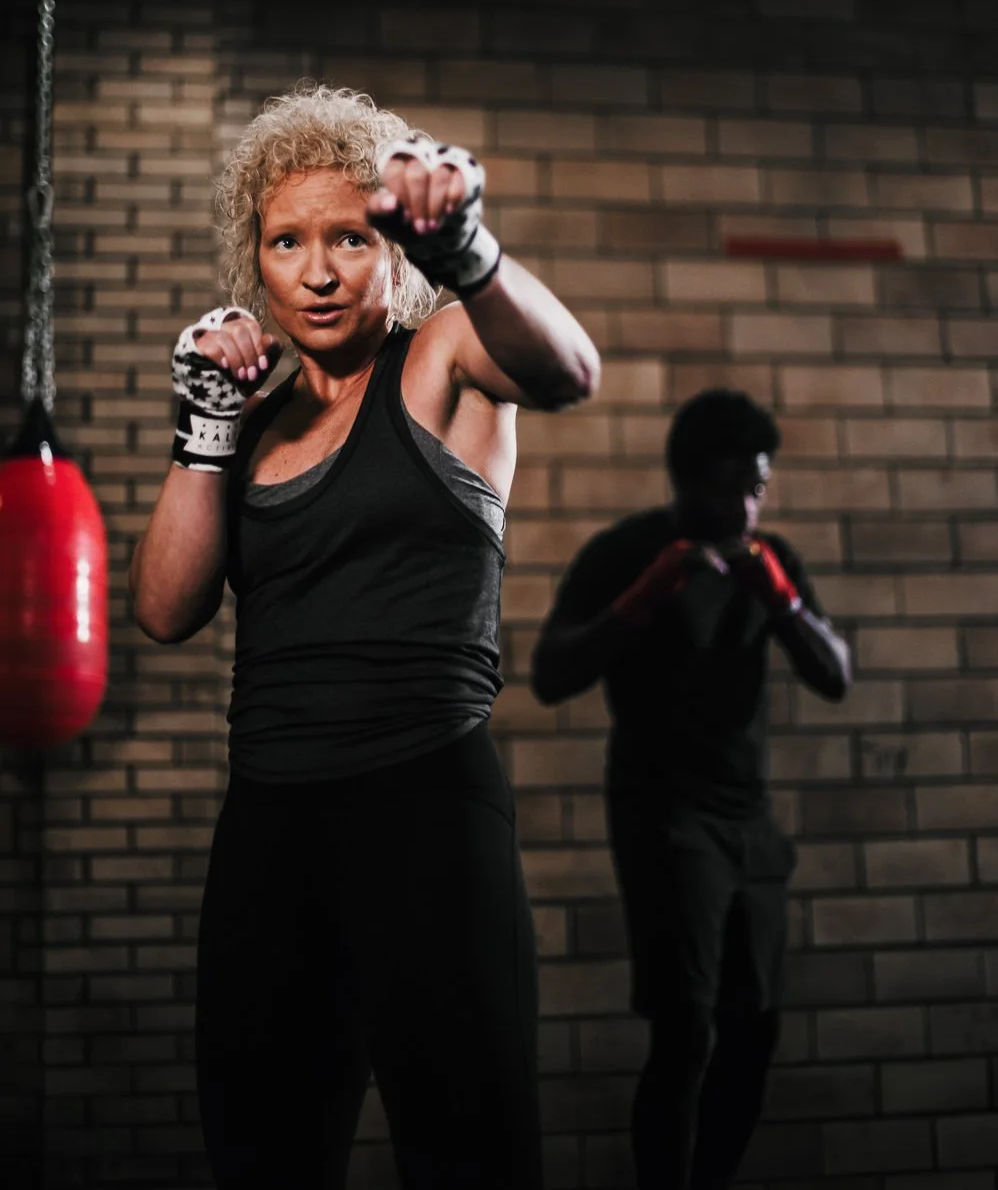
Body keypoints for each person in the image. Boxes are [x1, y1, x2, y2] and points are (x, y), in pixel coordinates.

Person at [129, 83, 601, 1190]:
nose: (321, 269)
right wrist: (202, 430)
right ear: (257, 259)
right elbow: (165, 609)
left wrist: (469, 251)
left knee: (469, 1154)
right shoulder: (252, 417)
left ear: (391, 247)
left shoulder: (441, 356)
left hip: (424, 812)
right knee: (264, 1154)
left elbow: (568, 371)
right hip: (268, 826)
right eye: (286, 240)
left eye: (349, 236)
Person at [531, 389, 851, 1190]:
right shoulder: (628, 550)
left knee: (758, 1030)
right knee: (688, 1033)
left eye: (758, 486)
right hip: (662, 816)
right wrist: (640, 600)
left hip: (748, 820)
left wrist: (780, 598)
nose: (745, 505)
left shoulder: (765, 559)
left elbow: (835, 676)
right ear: (685, 482)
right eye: (729, 486)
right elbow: (549, 673)